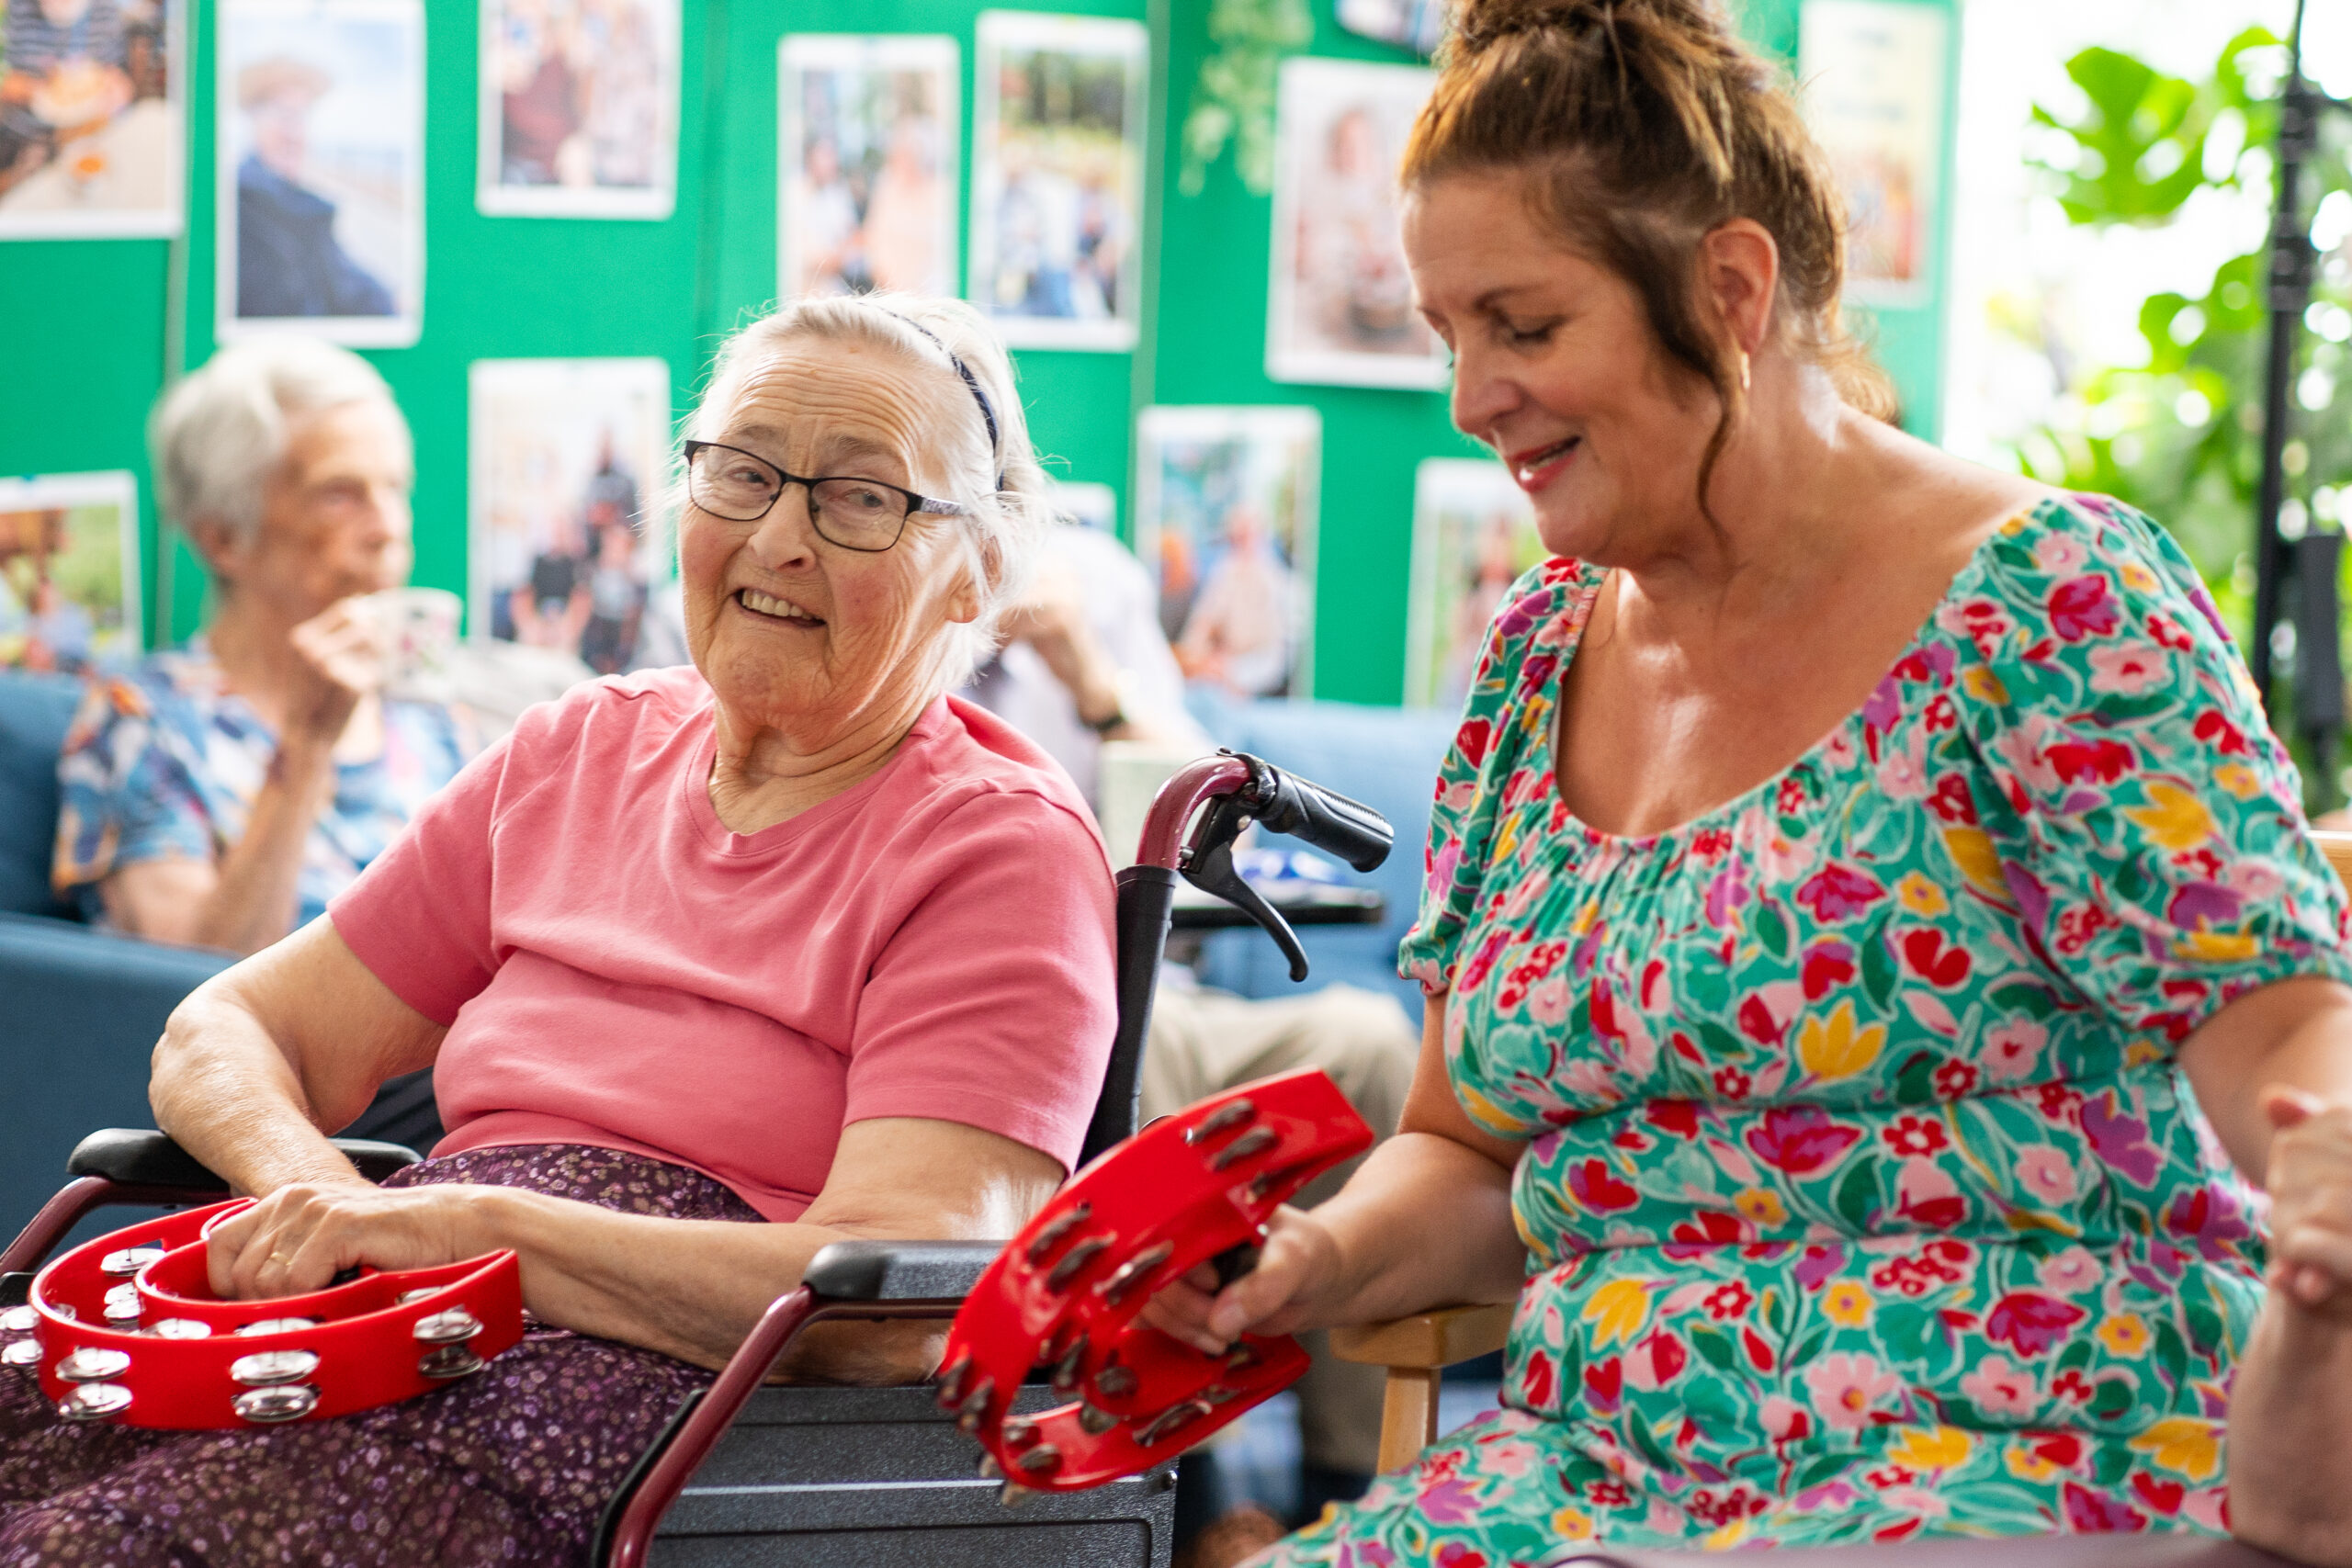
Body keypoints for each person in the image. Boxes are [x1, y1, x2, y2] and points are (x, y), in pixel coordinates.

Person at [1147, 1, 2352, 1560]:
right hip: (1588, 1481)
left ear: (1727, 286)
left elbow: (2289, 1036)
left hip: (2011, 1465)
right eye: (1449, 335)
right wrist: (1310, 1258)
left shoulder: (2047, 602)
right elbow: (1463, 1148)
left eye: (1523, 325)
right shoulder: (1533, 660)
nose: (1471, 396)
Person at [0, 292, 1116, 1567]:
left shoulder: (998, 845)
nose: (781, 536)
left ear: (978, 567)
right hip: (407, 1314)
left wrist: (480, 1231)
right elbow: (225, 1026)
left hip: (667, 1395)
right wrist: (312, 1190)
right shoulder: (579, 748)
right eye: (742, 473)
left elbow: (896, 1297)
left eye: (862, 498)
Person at [968, 518, 1420, 1528]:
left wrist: (1086, 671)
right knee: (1136, 1076)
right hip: (1015, 993)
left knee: (1367, 1044)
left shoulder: (1095, 585)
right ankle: (1191, 1495)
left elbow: (1194, 802)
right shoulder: (862, 587)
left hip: (1152, 978)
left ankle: (1346, 1487)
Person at [53, 338, 470, 960]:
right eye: (340, 494)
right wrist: (304, 750)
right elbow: (187, 990)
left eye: (395, 488)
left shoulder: (430, 712)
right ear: (224, 538)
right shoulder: (142, 721)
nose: (390, 528)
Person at [233, 56, 396, 321]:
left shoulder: (296, 202)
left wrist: (392, 299)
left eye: (302, 117)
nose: (294, 133)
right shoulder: (244, 204)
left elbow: (344, 275)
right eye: (284, 115)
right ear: (254, 119)